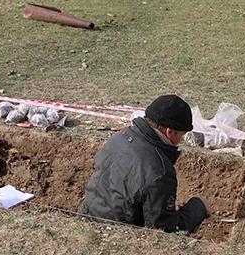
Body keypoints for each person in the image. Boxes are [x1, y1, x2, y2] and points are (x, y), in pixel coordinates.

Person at [78, 94, 209, 234]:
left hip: (85, 219)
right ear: (169, 132)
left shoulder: (121, 136)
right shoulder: (160, 172)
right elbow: (164, 231)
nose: (180, 142)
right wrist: (198, 207)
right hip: (117, 237)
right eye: (181, 136)